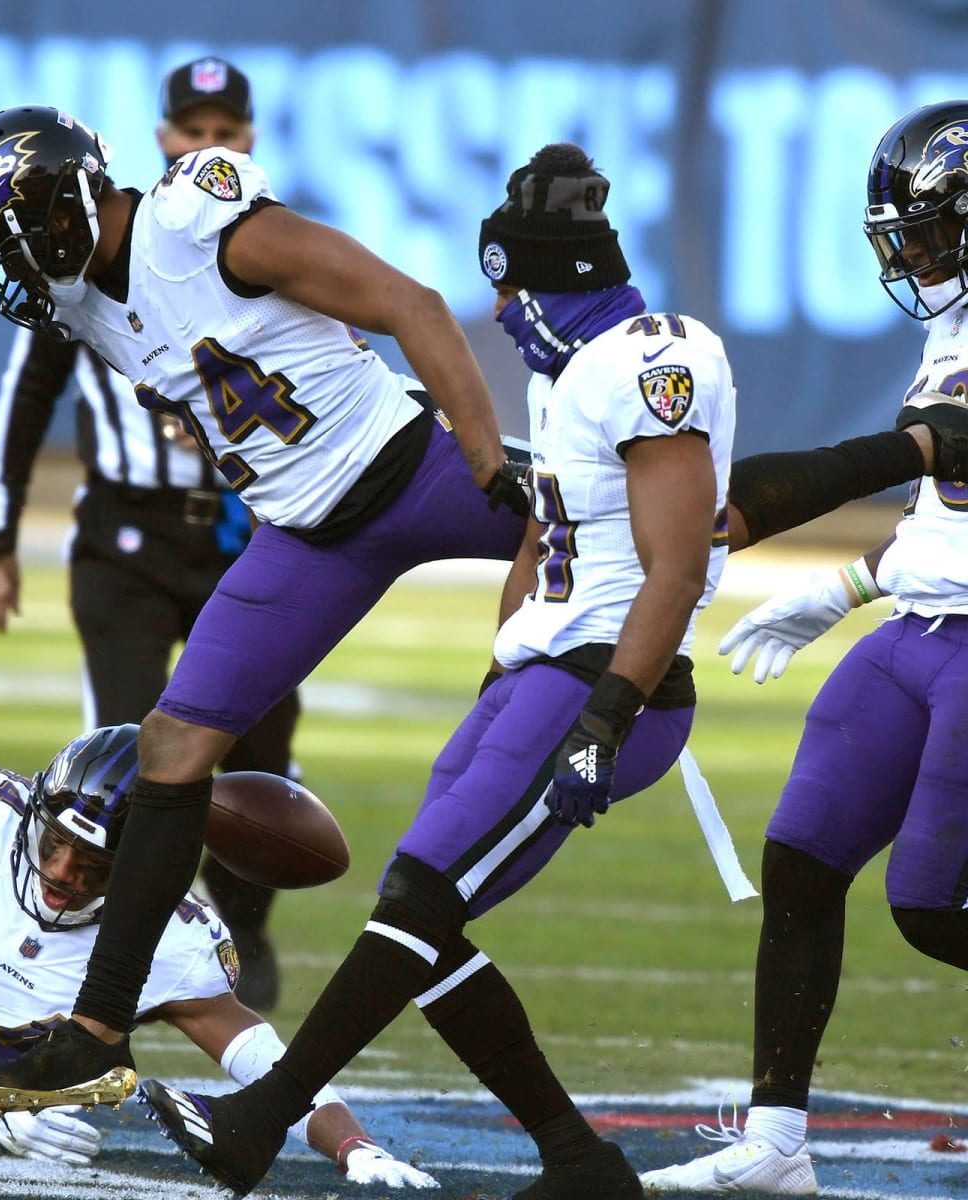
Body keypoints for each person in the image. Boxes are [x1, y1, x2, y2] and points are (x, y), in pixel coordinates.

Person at [133, 141, 738, 1200]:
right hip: (542, 673)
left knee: (417, 893)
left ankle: (260, 1122)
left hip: (604, 686)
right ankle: (579, 1161)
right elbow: (549, 547)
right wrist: (503, 669)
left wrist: (601, 721)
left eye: (506, 293)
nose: (499, 317)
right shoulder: (577, 369)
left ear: (542, 278)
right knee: (423, 912)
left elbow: (677, 568)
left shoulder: (649, 361)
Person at [0, 101, 531, 1108]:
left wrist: (487, 464)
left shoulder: (196, 217)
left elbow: (414, 304)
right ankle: (95, 1030)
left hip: (408, 465)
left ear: (64, 208)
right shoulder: (83, 303)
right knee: (169, 750)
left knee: (624, 523)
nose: (21, 278)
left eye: (18, 248)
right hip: (303, 537)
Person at [636, 98, 968, 1195]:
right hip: (918, 631)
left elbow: (945, 444)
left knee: (931, 906)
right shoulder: (950, 326)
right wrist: (848, 584)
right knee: (803, 858)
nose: (910, 256)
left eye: (924, 232)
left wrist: (763, 506)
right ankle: (777, 1144)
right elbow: (950, 501)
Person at [0, 724, 437, 1187]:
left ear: (141, 869)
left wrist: (353, 1145)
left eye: (93, 865)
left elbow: (272, 1065)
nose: (61, 872)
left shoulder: (171, 944)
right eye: (53, 844)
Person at [0, 56, 290, 1012]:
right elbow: (29, 391)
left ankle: (242, 934)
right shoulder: (88, 248)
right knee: (125, 753)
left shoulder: (258, 241)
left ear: (247, 141)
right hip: (126, 541)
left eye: (223, 132)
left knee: (264, 755)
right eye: (191, 130)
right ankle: (88, 963)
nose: (206, 146)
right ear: (163, 139)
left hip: (245, 538)